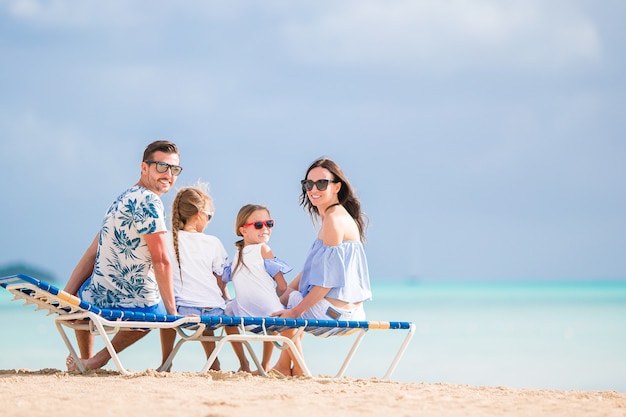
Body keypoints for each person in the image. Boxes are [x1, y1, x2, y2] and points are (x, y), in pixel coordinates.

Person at [63, 140, 182, 372]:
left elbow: (92, 252)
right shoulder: (150, 202)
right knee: (155, 314)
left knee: (88, 292)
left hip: (95, 296)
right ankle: (98, 360)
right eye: (161, 166)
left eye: (174, 169)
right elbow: (161, 260)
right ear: (144, 167)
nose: (168, 174)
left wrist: (69, 294)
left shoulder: (121, 199)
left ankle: (84, 360)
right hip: (132, 300)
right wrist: (172, 312)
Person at [270, 157, 372, 377]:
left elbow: (326, 283)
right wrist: (286, 293)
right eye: (308, 184)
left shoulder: (333, 222)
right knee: (289, 299)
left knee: (294, 306)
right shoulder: (340, 217)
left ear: (337, 186)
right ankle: (283, 367)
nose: (313, 189)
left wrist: (294, 309)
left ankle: (298, 368)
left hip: (335, 316)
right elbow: (312, 273)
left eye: (322, 184)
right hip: (353, 313)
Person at [158, 183, 251, 372]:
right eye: (209, 216)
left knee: (168, 313)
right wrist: (226, 300)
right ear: (199, 214)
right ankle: (243, 363)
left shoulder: (165, 239)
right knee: (217, 308)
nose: (209, 220)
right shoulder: (212, 242)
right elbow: (220, 279)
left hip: (182, 312)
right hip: (214, 313)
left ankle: (166, 363)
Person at [222, 204, 291, 373]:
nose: (265, 228)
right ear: (243, 231)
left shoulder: (237, 255)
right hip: (271, 320)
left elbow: (222, 281)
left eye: (269, 224)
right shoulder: (264, 249)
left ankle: (244, 364)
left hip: (244, 319)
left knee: (227, 314)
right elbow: (282, 286)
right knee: (279, 307)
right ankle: (265, 364)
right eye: (258, 225)